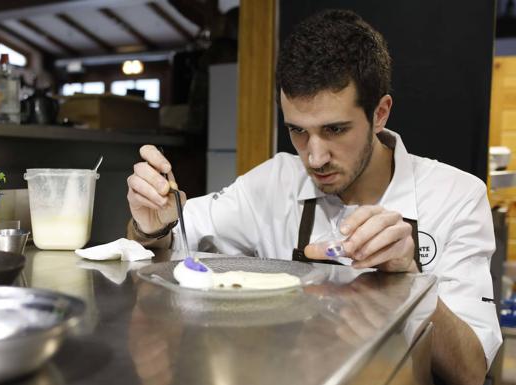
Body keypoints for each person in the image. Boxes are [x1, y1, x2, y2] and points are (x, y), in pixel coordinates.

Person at [126, 9, 501, 385]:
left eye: (335, 129)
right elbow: (164, 244)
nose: (315, 157)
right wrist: (151, 225)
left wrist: (408, 279)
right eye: (298, 131)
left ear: (380, 113)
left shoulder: (457, 196)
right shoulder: (272, 184)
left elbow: (470, 369)